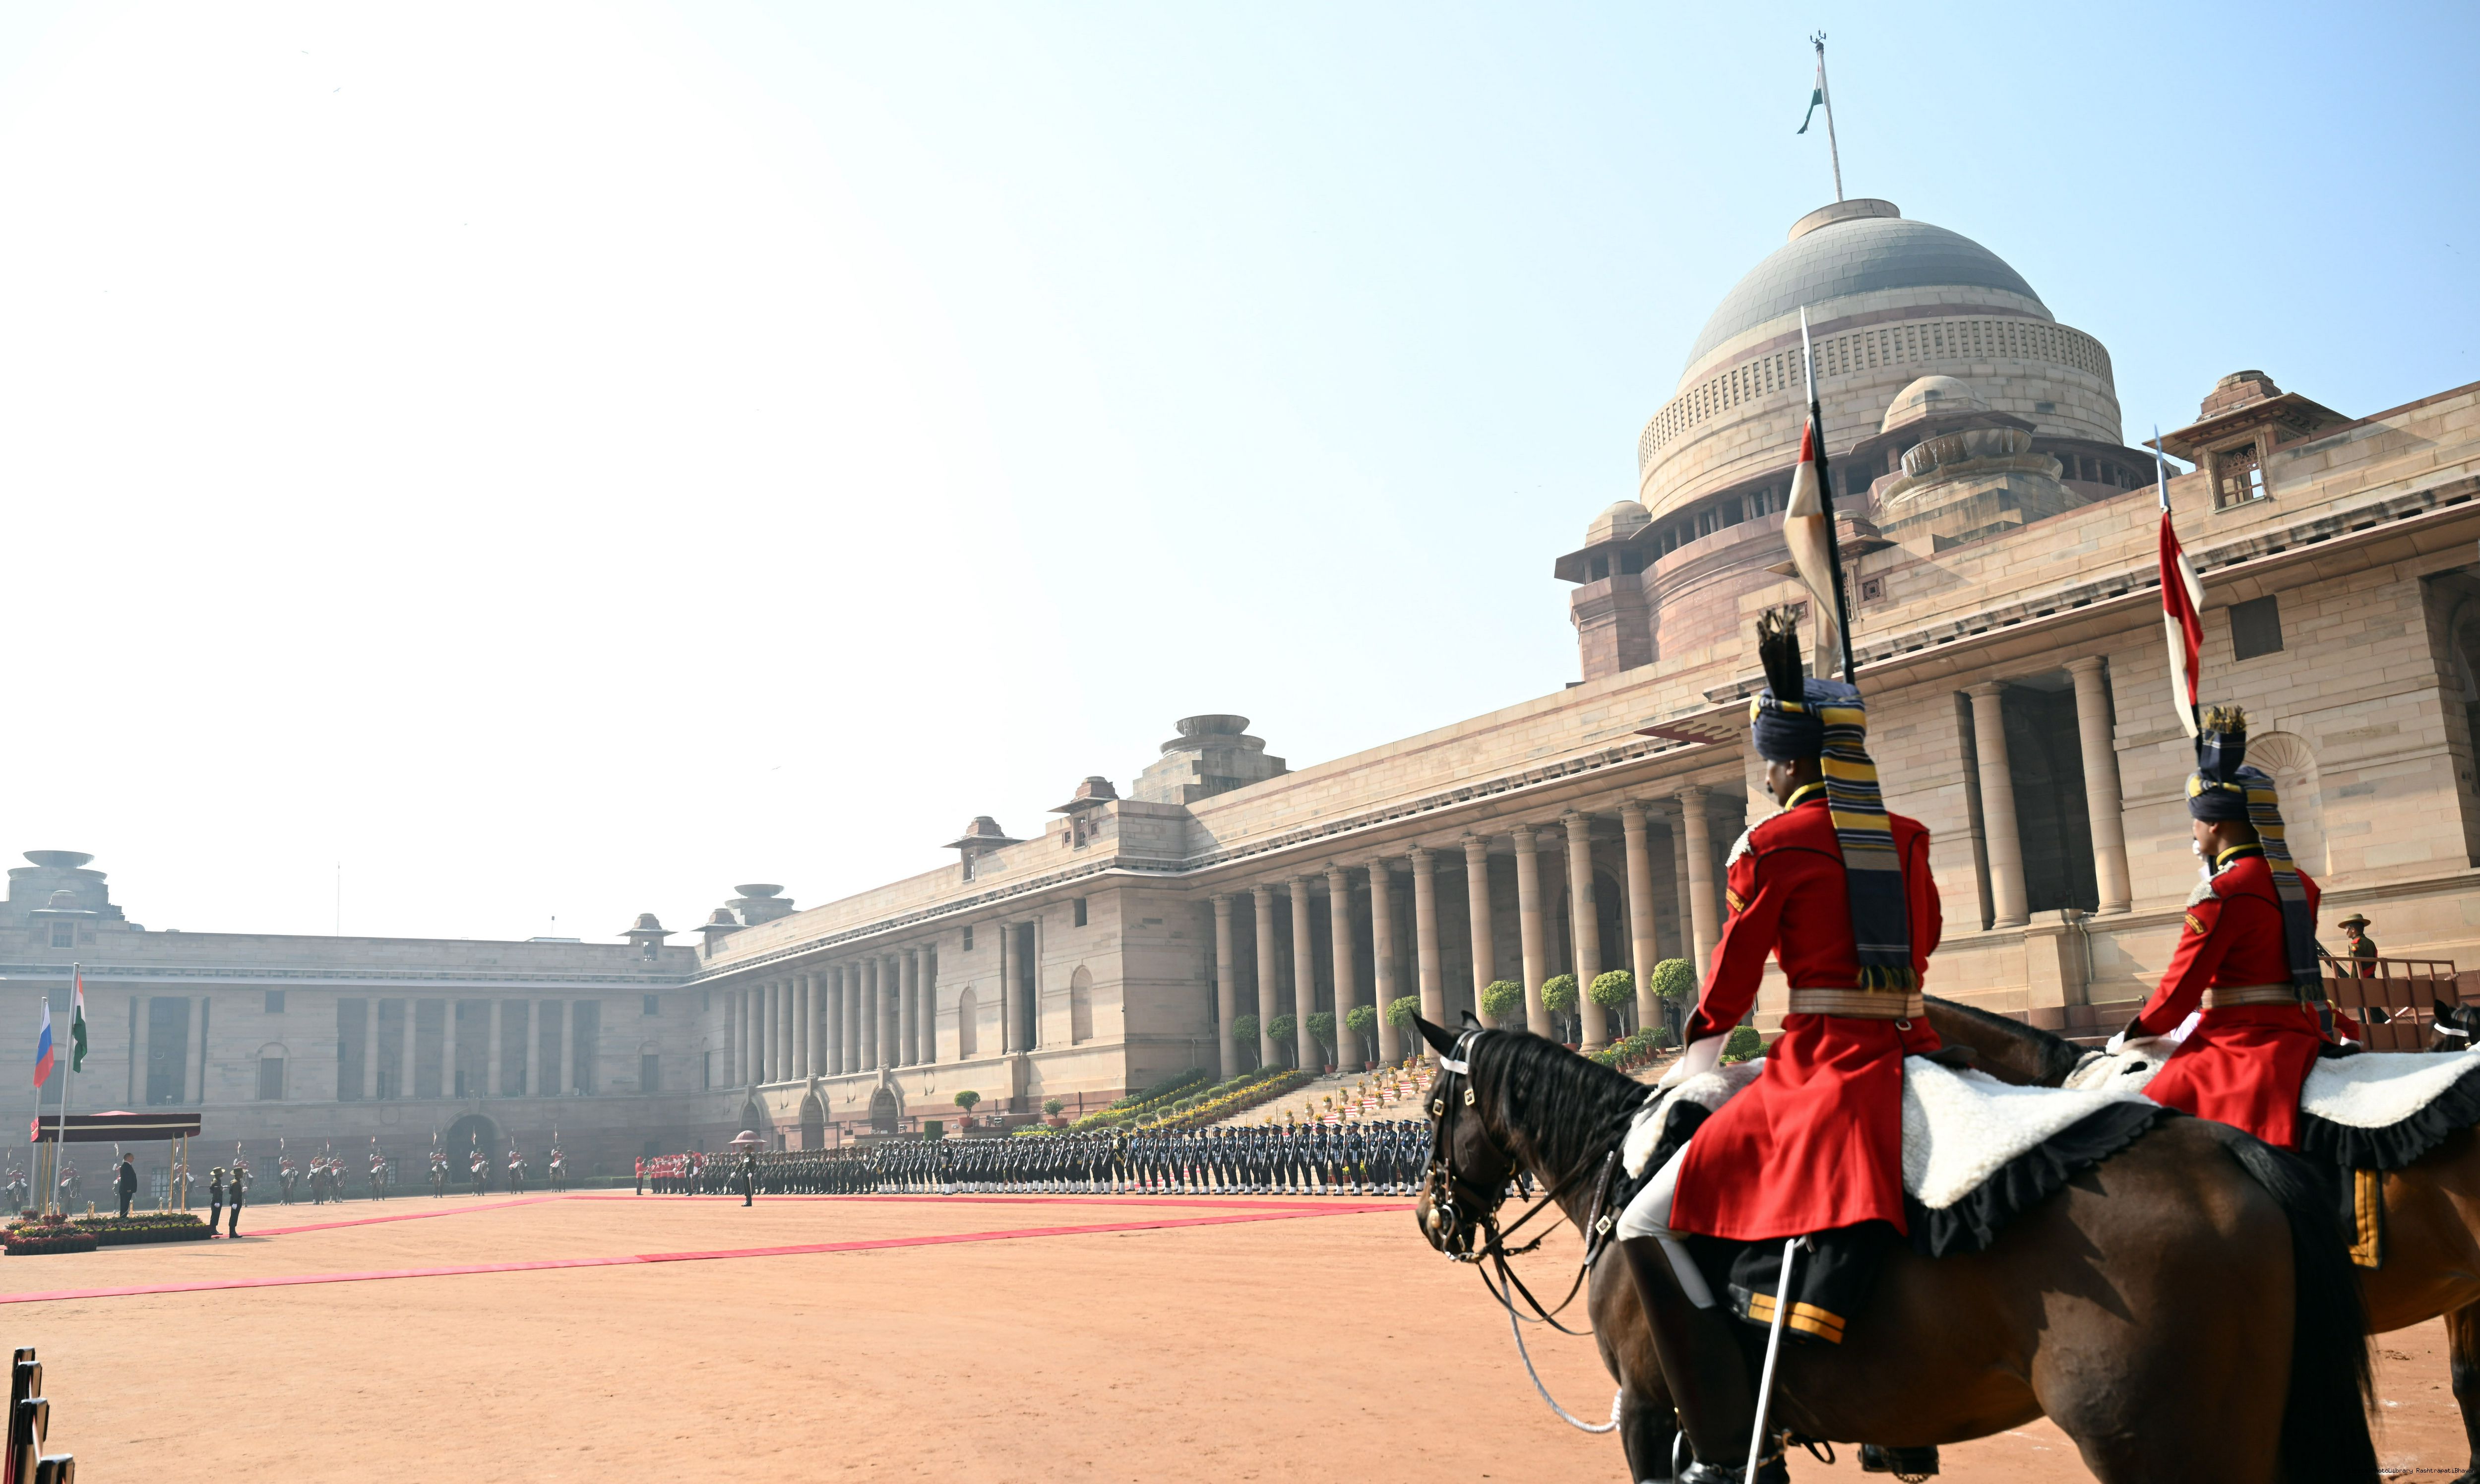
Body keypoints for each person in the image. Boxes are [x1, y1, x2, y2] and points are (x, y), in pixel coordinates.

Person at [1613, 608, 1942, 1484]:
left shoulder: (1771, 844)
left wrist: (1699, 1055)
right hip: (1916, 1047)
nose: (1766, 771)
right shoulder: (1907, 837)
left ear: (1790, 763)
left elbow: (1735, 967)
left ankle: (1728, 1449)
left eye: (1770, 757)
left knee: (1645, 1221)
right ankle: (1906, 1425)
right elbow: (1929, 938)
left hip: (1826, 1064)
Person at [2110, 707, 2334, 1148]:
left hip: (2241, 1041)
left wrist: (2134, 1035)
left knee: (2141, 1126)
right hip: (2302, 1031)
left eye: (2196, 818)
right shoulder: (2301, 882)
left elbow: (2181, 990)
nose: (2194, 829)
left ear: (2214, 823)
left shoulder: (2221, 893)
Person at [2340, 913, 2378, 977]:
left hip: (2361, 981)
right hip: (2371, 979)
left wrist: (2352, 981)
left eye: (2346, 929)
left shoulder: (2356, 944)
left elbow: (2355, 965)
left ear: (2353, 929)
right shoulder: (2370, 942)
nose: (2345, 931)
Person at [226, 1165, 245, 1237]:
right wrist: (235, 1203)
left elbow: (232, 1192)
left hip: (236, 1202)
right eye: (241, 1173)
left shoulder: (234, 1182)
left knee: (234, 1217)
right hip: (236, 1202)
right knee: (234, 1217)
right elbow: (235, 1194)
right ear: (238, 1174)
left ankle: (233, 1232)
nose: (242, 1174)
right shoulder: (236, 1183)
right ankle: (232, 1232)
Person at [207, 1168, 226, 1237]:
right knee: (215, 1216)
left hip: (216, 1200)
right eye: (221, 1173)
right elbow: (215, 1193)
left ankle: (214, 1229)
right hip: (216, 1201)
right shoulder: (217, 1181)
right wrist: (217, 1201)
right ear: (219, 1174)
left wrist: (221, 1189)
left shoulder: (216, 1180)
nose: (222, 1174)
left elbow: (213, 1191)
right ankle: (213, 1230)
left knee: (216, 1216)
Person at [116, 1154, 137, 1218]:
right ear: (128, 1158)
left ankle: (124, 1217)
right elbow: (127, 1178)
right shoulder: (126, 1166)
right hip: (126, 1190)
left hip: (126, 1190)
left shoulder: (127, 1166)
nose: (133, 1159)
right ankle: (123, 1218)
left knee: (125, 1205)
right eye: (132, 1157)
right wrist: (128, 1188)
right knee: (124, 1205)